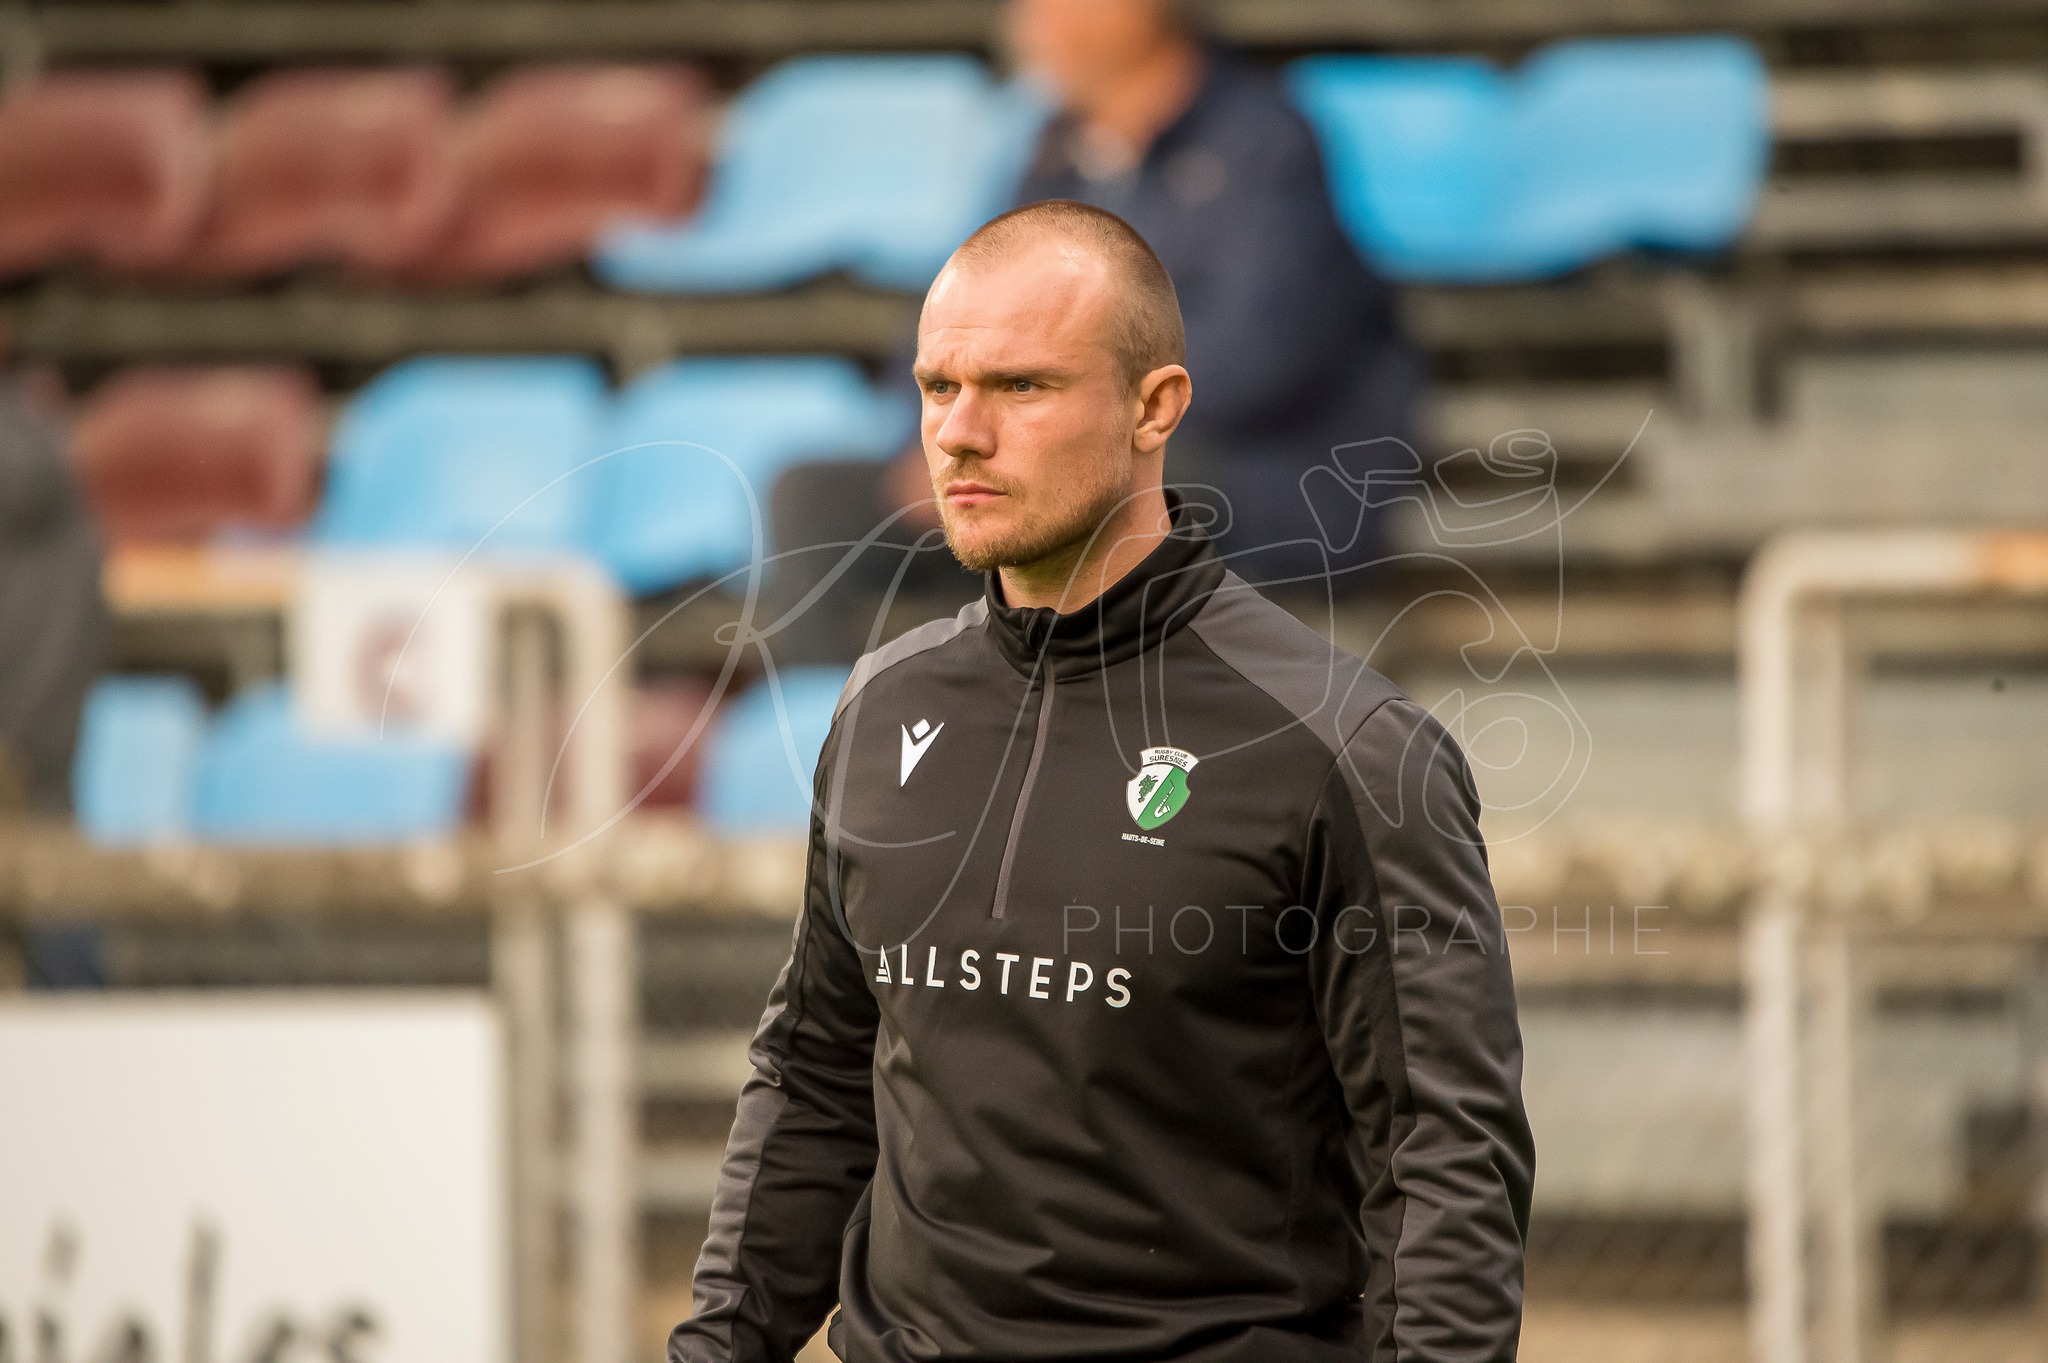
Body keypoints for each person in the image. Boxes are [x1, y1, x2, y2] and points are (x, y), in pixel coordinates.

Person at [673, 201, 1531, 1363]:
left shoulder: (1344, 746)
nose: (960, 435)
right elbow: (814, 1076)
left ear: (1154, 406)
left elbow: (1440, 1159)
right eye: (937, 388)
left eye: (1020, 387)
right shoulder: (882, 705)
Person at [763, 0, 1424, 664]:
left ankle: (1078, 739)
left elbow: (1257, 356)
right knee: (814, 502)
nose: (1030, 19)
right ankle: (832, 741)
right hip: (1061, 466)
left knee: (1143, 488)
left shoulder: (1265, 142)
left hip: (1257, 480)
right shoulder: (1054, 155)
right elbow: (960, 312)